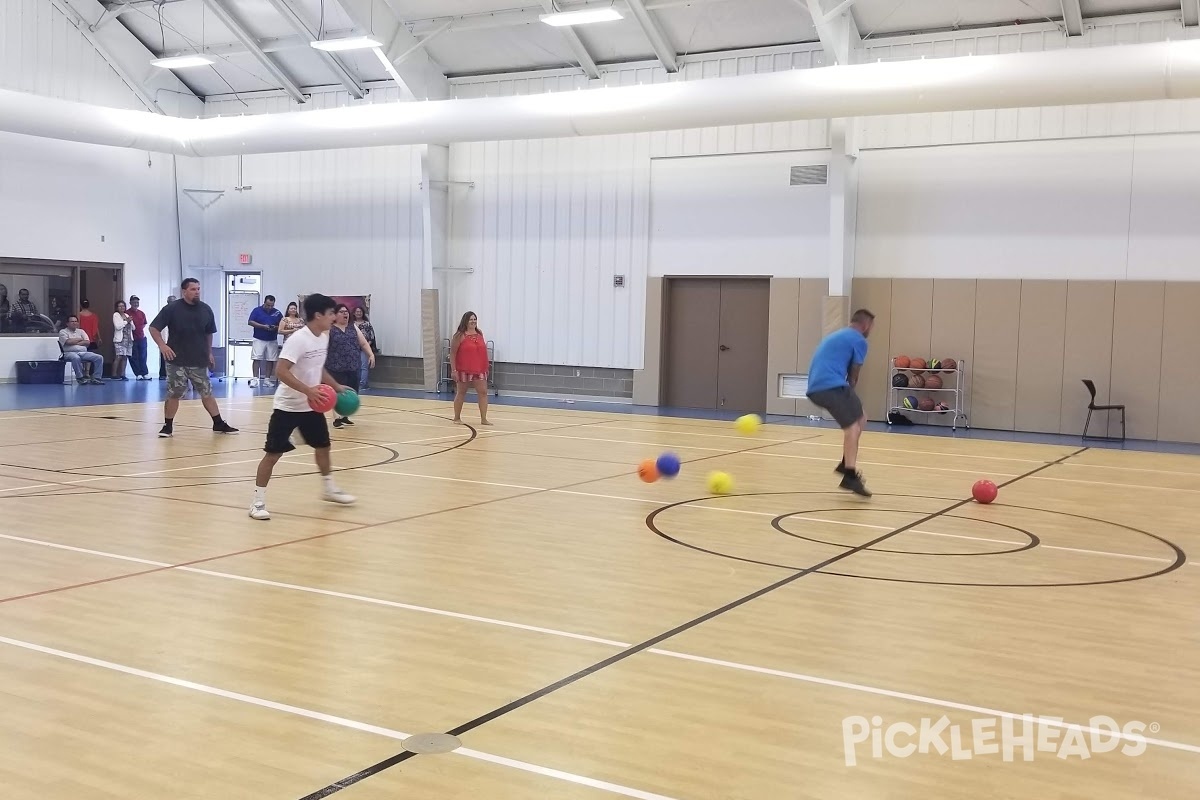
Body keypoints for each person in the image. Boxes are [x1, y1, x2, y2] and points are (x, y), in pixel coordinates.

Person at [249, 293, 355, 521]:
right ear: (318, 315)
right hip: (287, 407)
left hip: (311, 407)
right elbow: (281, 371)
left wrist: (335, 386)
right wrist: (308, 390)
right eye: (330, 314)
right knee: (273, 454)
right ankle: (258, 502)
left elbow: (317, 368)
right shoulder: (299, 339)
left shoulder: (323, 336)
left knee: (323, 446)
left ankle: (329, 489)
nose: (334, 317)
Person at [148, 278, 238, 438]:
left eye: (198, 289)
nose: (197, 292)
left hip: (198, 359)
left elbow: (209, 333)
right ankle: (167, 426)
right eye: (193, 289)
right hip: (177, 359)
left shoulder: (205, 309)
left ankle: (218, 423)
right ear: (184, 291)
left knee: (206, 391)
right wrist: (162, 345)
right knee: (174, 392)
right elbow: (154, 328)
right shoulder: (171, 309)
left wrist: (209, 352)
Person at [805, 308, 875, 497]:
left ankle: (846, 464)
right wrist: (850, 390)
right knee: (852, 428)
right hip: (830, 386)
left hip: (818, 386)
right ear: (866, 325)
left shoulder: (839, 335)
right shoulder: (859, 340)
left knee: (861, 418)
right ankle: (850, 476)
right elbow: (854, 373)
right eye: (871, 327)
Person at [451, 311, 491, 426]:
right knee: (461, 392)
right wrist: (454, 370)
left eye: (475, 319)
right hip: (464, 369)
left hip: (480, 369)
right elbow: (453, 353)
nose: (473, 321)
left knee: (483, 392)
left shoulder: (479, 333)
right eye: (471, 319)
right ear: (466, 321)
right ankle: (457, 417)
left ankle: (484, 418)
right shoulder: (459, 335)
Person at [248, 294, 283, 387]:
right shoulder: (257, 310)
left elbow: (282, 325)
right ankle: (255, 379)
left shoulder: (277, 313)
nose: (270, 307)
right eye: (268, 305)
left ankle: (267, 380)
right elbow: (250, 321)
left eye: (272, 305)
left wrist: (274, 327)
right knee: (257, 358)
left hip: (272, 339)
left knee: (271, 359)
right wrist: (263, 326)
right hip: (259, 338)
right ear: (264, 302)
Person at [59, 316, 105, 384]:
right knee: (75, 357)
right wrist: (80, 339)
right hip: (68, 353)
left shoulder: (81, 331)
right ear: (67, 323)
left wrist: (74, 341)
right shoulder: (63, 332)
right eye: (72, 321)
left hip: (83, 352)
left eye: (75, 321)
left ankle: (96, 378)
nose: (74, 323)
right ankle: (80, 377)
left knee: (99, 357)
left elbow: (87, 342)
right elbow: (68, 342)